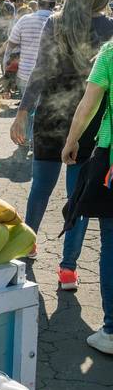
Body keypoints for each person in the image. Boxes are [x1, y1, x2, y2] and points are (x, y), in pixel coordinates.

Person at [10, 0, 113, 270]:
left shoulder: (55, 23)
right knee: (77, 197)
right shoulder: (109, 29)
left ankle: (26, 245)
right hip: (90, 121)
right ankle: (68, 268)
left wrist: (23, 111)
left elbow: (40, 72)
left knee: (40, 189)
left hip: (50, 117)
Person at [61, 41, 113, 353]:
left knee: (111, 240)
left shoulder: (110, 53)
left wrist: (72, 140)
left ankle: (111, 332)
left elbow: (89, 103)